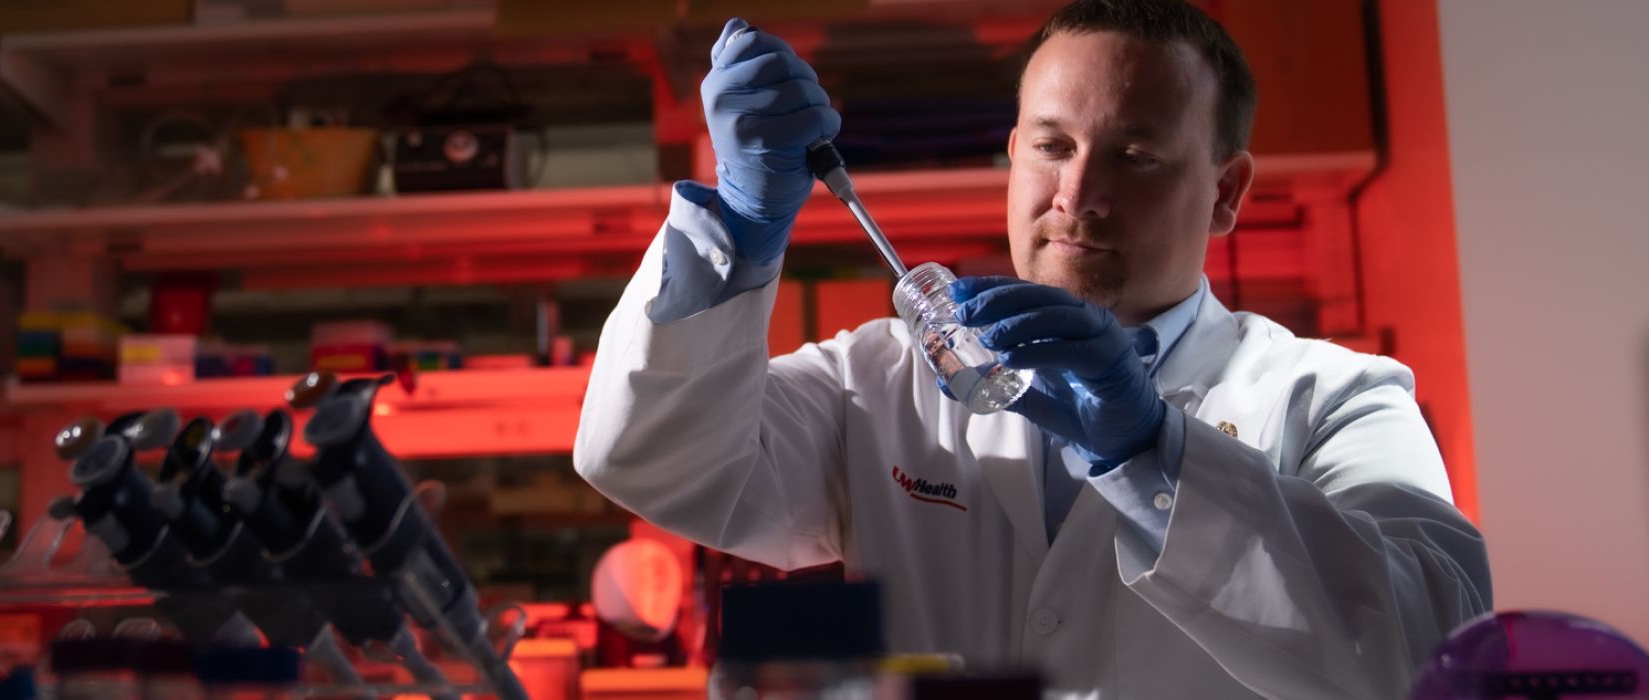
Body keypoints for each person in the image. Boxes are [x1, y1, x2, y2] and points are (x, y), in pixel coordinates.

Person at [571, 1, 1492, 696]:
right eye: (1052, 145)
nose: (1077, 194)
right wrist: (737, 225)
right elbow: (654, 463)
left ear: (1225, 190)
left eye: (1136, 156)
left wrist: (1150, 456)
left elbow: (1433, 652)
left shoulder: (1333, 396)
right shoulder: (884, 380)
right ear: (1013, 153)